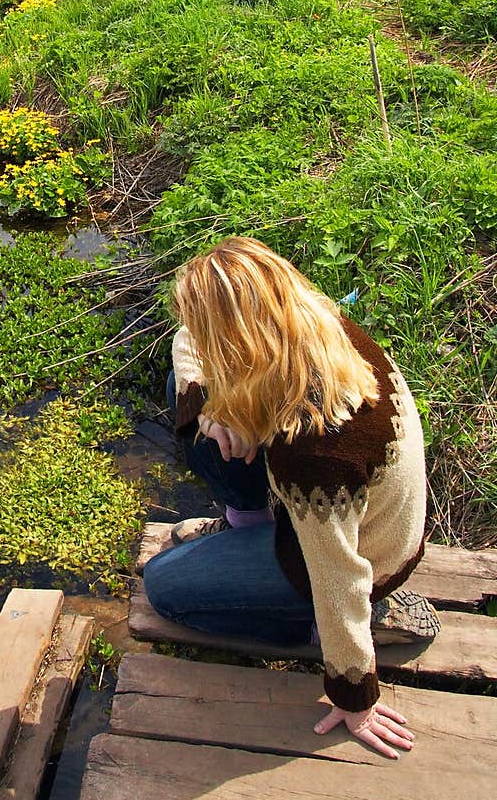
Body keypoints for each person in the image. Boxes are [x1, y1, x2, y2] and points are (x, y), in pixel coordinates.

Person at [143, 235, 440, 761]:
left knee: (164, 588)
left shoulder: (317, 456)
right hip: (336, 515)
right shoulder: (311, 321)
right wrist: (215, 416)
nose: (195, 335)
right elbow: (188, 340)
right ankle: (247, 525)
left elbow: (338, 578)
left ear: (240, 343)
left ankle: (319, 624)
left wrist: (356, 696)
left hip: (361, 556)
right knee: (182, 388)